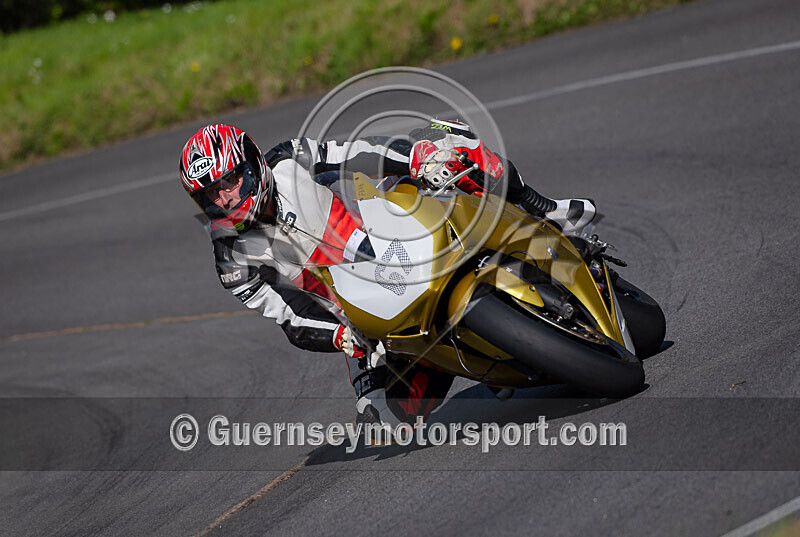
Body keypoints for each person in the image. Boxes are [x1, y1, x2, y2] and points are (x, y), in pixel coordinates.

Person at [179, 120, 596, 427]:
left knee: (446, 141)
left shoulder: (289, 160)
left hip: (390, 231)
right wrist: (339, 335)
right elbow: (291, 316)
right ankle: (478, 356)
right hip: (364, 316)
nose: (227, 196)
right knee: (396, 414)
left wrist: (416, 158)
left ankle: (544, 210)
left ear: (252, 163)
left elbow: (359, 153)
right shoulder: (232, 259)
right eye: (212, 193)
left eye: (231, 180)